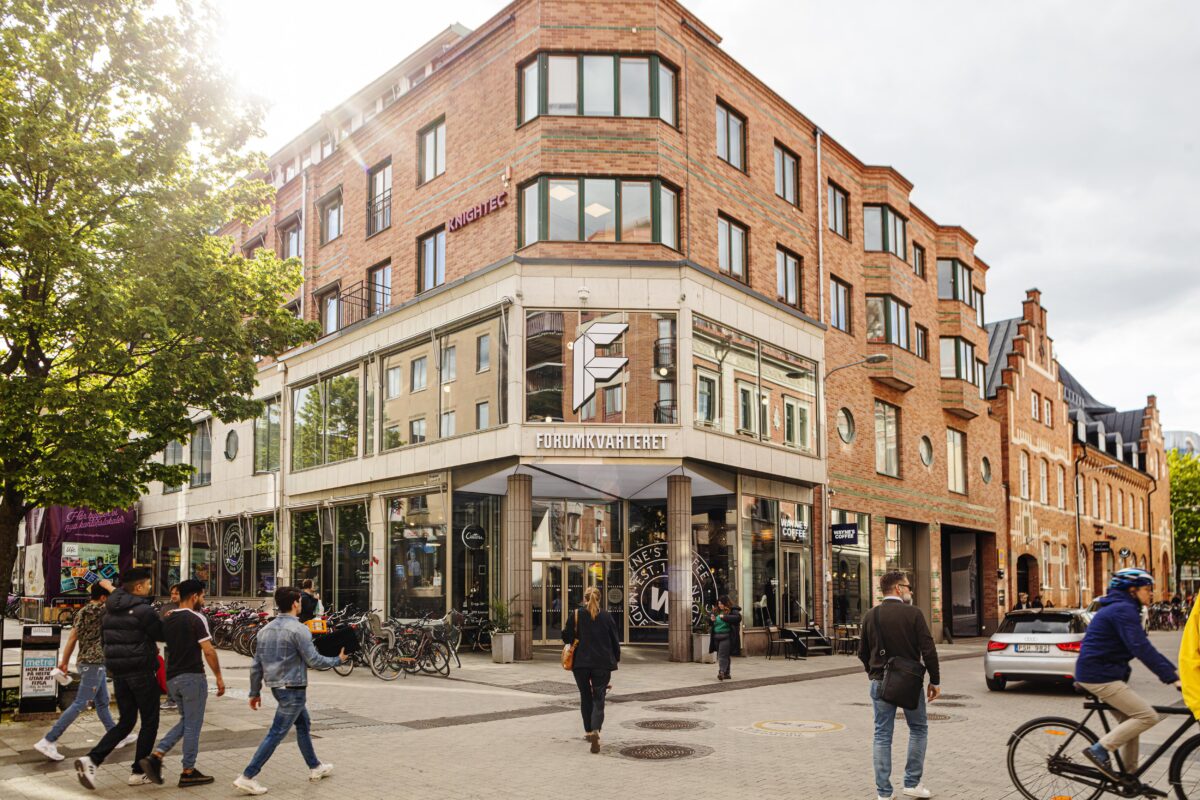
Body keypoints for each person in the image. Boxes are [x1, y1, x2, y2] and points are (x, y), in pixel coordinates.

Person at [233, 586, 346, 796]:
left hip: (277, 687)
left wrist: (254, 692)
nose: (301, 604)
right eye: (300, 601)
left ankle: (315, 766)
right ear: (295, 603)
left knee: (303, 724)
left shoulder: (265, 630)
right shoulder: (299, 629)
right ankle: (247, 776)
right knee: (276, 733)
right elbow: (314, 660)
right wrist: (337, 660)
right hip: (294, 689)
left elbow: (256, 665)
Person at [1076, 568, 1179, 781]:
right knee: (1147, 716)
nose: (1151, 593)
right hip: (1099, 675)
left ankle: (1129, 778)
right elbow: (1141, 648)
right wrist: (1172, 677)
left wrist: (1173, 672)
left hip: (1103, 672)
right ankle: (1099, 750)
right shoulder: (1122, 610)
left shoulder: (1124, 608)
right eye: (1147, 589)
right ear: (1132, 590)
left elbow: (1141, 646)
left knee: (1132, 721)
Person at [75, 567, 165, 790]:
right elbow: (161, 635)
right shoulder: (144, 611)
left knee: (126, 722)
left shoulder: (108, 610)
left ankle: (92, 759)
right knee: (150, 721)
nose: (150, 588)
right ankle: (138, 772)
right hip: (142, 672)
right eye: (148, 584)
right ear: (139, 587)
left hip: (119, 673)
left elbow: (104, 641)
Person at [858, 570, 940, 800]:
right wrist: (935, 680)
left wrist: (874, 673)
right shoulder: (913, 613)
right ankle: (912, 784)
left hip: (880, 682)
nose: (910, 591)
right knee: (918, 729)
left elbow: (862, 652)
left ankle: (884, 793)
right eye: (908, 587)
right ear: (898, 588)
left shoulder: (871, 615)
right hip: (909, 684)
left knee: (882, 735)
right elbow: (929, 649)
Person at [137, 579, 225, 787]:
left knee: (187, 721)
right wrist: (219, 677)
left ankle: (157, 756)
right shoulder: (196, 618)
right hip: (192, 677)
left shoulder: (168, 618)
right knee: (193, 725)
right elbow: (208, 650)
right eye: (202, 596)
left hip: (172, 678)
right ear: (194, 596)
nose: (203, 600)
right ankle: (188, 771)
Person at [35, 584, 137, 761]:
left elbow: (72, 638)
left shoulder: (82, 611)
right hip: (94, 663)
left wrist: (64, 662)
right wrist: (109, 586)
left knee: (102, 701)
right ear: (103, 598)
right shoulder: (101, 611)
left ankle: (116, 735)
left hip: (86, 661)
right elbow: (124, 600)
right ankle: (49, 739)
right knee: (80, 703)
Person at [562, 586, 621, 754]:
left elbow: (566, 637)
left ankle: (588, 731)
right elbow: (614, 640)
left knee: (585, 696)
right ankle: (596, 729)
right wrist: (616, 658)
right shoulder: (607, 616)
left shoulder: (576, 614)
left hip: (581, 663)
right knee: (599, 697)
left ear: (585, 599)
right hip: (602, 663)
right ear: (599, 599)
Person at [708, 596, 742, 681]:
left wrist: (724, 617)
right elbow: (709, 620)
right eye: (719, 603)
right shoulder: (715, 611)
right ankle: (727, 673)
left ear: (726, 603)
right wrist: (711, 620)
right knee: (725, 655)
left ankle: (721, 672)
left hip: (726, 637)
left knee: (722, 655)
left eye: (722, 604)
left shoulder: (732, 610)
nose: (720, 605)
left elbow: (738, 618)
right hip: (716, 637)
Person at [160, 583, 181, 711]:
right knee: (170, 673)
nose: (173, 596)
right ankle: (172, 699)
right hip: (171, 646)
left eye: (176, 593)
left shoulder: (189, 608)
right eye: (172, 593)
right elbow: (160, 627)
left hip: (186, 647)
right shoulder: (166, 608)